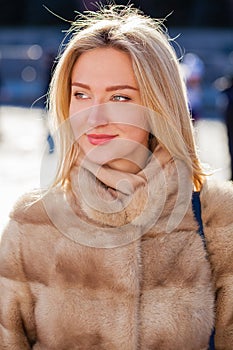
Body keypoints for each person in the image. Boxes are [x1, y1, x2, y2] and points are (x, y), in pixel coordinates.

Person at [0, 4, 233, 349]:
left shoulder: (219, 216)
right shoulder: (32, 222)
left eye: (120, 97)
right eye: (81, 94)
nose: (94, 118)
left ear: (159, 104)